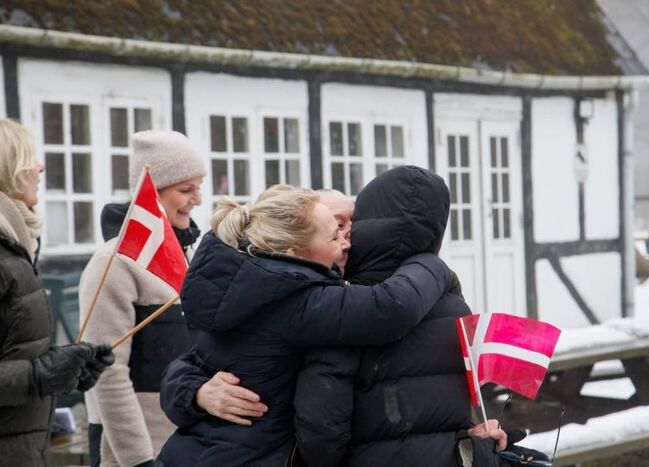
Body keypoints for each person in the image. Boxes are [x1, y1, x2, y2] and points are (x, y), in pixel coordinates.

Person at [156, 187, 456, 466]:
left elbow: (188, 363)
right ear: (293, 252)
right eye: (335, 234)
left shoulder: (244, 289)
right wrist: (431, 263)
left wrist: (194, 392)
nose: (348, 240)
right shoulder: (298, 299)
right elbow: (391, 309)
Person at [293, 166, 509, 467]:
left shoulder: (347, 305)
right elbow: (454, 409)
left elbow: (321, 433)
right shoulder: (455, 307)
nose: (347, 233)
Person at [79, 130, 206, 467]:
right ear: (151, 193)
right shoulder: (112, 264)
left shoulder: (187, 255)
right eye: (186, 190)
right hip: (140, 450)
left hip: (189, 444)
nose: (198, 199)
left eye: (199, 187)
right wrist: (138, 458)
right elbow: (107, 372)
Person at [0, 118, 113, 466]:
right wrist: (39, 376)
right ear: (8, 172)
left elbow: (13, 348)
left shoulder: (15, 244)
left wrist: (66, 369)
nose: (40, 168)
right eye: (29, 159)